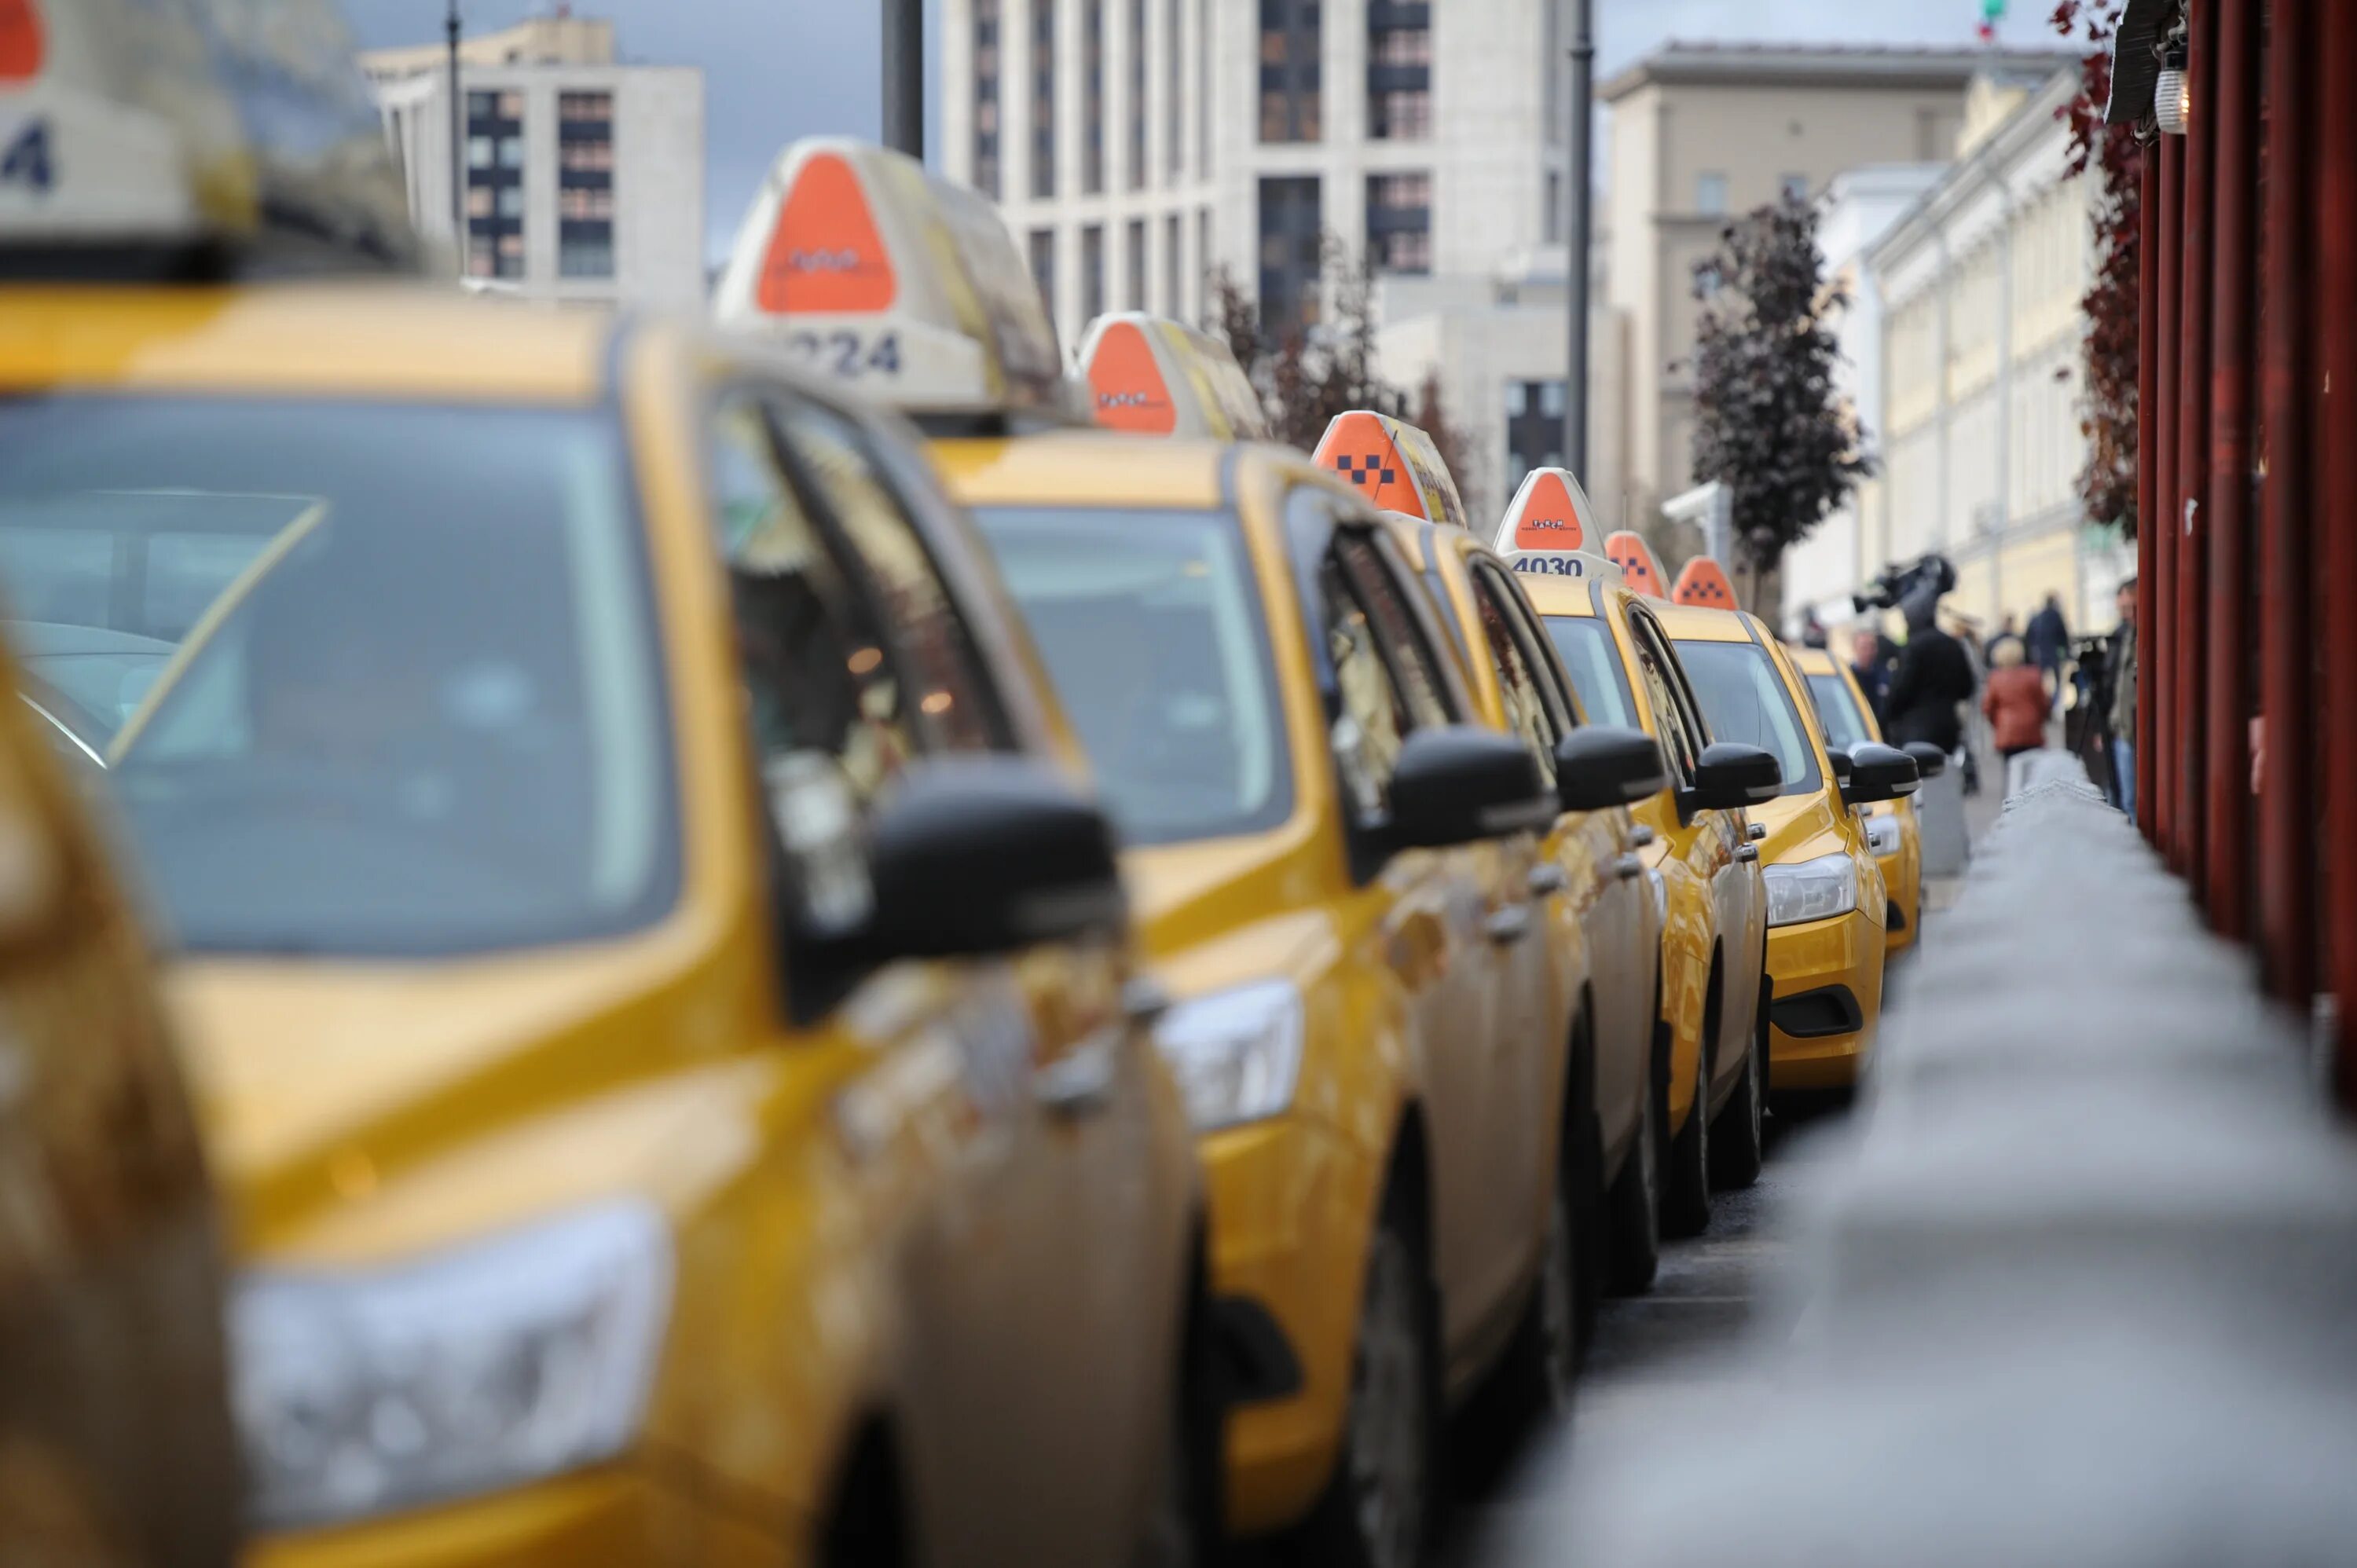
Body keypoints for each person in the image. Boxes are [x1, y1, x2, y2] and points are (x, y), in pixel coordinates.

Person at [1882, 584, 1976, 756]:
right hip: (1949, 728)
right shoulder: (1952, 644)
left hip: (1916, 731)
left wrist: (1887, 715)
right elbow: (1967, 687)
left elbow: (1901, 689)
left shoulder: (1914, 647)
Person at [1981, 637, 2048, 764]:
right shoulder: (2033, 675)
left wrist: (1996, 723)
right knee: (2033, 770)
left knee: (2012, 771)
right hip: (2031, 729)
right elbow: (2043, 703)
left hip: (2007, 732)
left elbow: (1988, 707)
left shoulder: (1995, 678)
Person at [2108, 577, 2139, 818]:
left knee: (2131, 801)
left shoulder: (2137, 634)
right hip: (2123, 726)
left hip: (2133, 728)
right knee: (2126, 800)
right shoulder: (2125, 634)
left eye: (2129, 608)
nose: (2125, 613)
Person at [2026, 592, 2070, 694]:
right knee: (2057, 681)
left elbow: (2029, 637)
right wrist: (2066, 653)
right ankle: (2053, 702)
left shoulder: (2037, 617)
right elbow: (2063, 635)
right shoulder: (2056, 616)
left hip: (2040, 654)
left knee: (2041, 680)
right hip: (2053, 653)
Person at [1849, 626, 1891, 719]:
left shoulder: (1884, 673)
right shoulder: (1849, 677)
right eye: (1864, 648)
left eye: (1872, 647)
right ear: (1855, 649)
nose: (1869, 652)